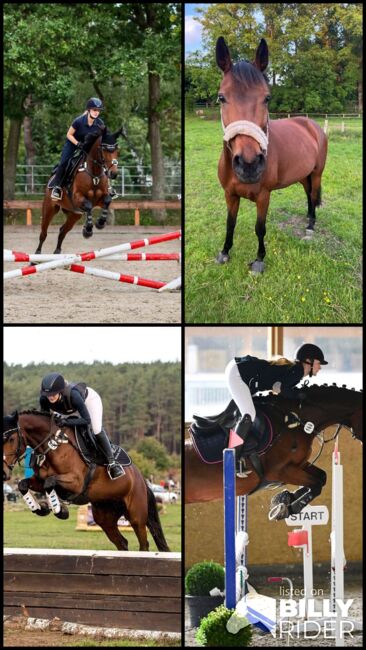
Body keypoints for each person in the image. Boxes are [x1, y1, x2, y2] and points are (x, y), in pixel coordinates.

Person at [224, 343, 328, 454]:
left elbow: (279, 387)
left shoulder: (296, 370)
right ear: (309, 361)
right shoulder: (298, 371)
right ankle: (232, 455)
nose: (320, 367)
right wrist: (300, 395)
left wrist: (298, 394)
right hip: (238, 373)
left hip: (238, 368)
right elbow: (279, 388)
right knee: (249, 414)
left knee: (251, 412)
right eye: (318, 363)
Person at [39, 372, 124, 479]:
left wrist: (66, 422)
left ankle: (113, 463)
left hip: (89, 400)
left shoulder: (74, 396)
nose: (50, 397)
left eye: (53, 394)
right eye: (48, 395)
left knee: (96, 429)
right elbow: (45, 422)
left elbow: (86, 420)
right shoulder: (44, 399)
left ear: (60, 391)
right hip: (65, 408)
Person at [49, 97, 110, 201]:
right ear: (89, 110)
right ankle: (57, 187)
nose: (96, 113)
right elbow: (69, 134)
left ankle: (108, 188)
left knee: (103, 161)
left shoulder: (100, 123)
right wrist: (77, 144)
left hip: (88, 146)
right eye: (94, 110)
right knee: (65, 162)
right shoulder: (78, 121)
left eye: (98, 111)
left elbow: (104, 138)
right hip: (73, 143)